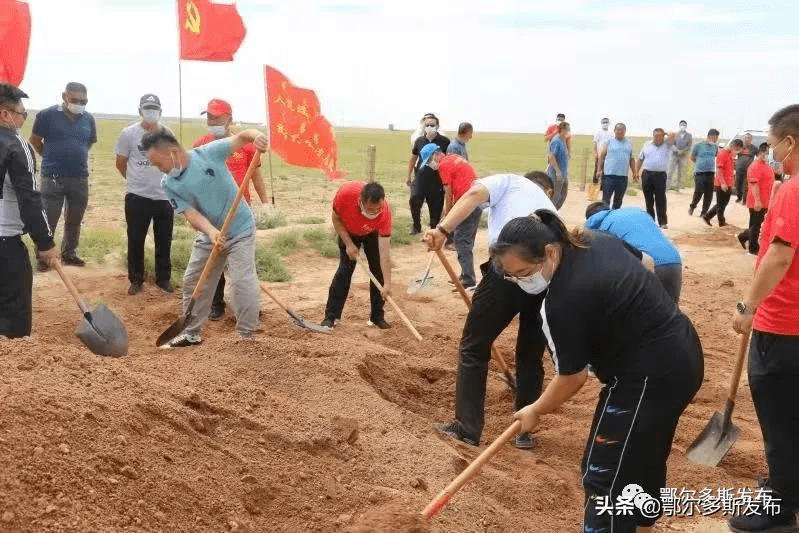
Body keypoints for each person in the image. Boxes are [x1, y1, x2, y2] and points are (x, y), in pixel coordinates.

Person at [502, 211, 703, 533]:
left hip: (645, 377)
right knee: (643, 455)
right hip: (684, 352)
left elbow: (573, 377)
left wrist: (535, 410)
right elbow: (647, 266)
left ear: (550, 252)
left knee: (605, 475)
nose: (522, 282)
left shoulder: (560, 303)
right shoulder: (595, 241)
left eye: (525, 272)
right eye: (513, 276)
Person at [424, 171, 557, 450]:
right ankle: (523, 429)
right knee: (530, 355)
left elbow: (472, 197)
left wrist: (442, 230)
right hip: (546, 277)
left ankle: (466, 429)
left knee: (474, 346)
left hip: (508, 273)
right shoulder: (548, 208)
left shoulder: (505, 181)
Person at [729, 104, 799, 533]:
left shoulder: (792, 190)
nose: (771, 154)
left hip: (784, 323)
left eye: (773, 146)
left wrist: (748, 307)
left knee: (779, 416)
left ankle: (781, 505)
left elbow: (779, 254)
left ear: (790, 142)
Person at [142, 129, 266, 347]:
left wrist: (258, 137)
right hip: (209, 234)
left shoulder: (209, 153)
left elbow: (243, 136)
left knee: (241, 280)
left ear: (171, 151)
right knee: (194, 280)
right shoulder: (168, 184)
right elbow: (191, 214)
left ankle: (247, 336)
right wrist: (211, 232)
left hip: (240, 228)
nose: (157, 168)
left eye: (157, 162)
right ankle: (190, 333)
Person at [193, 98, 267, 321]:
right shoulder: (200, 145)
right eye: (209, 117)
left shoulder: (245, 146)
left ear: (229, 119)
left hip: (240, 215)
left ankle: (247, 305)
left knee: (243, 266)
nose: (212, 121)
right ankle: (216, 305)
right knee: (213, 261)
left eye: (217, 117)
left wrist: (265, 203)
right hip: (212, 214)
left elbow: (255, 175)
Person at [0, 84, 60, 338]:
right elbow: (30, 200)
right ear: (6, 115)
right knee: (14, 313)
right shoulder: (16, 145)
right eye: (22, 114)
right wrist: (45, 243)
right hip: (5, 243)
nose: (24, 119)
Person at [29, 82, 96, 271]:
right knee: (48, 219)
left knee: (74, 218)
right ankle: (43, 258)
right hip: (52, 178)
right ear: (64, 97)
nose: (79, 104)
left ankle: (69, 254)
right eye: (75, 100)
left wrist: (73, 157)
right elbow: (34, 140)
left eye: (84, 101)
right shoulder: (46, 115)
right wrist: (51, 158)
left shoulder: (88, 119)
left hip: (80, 178)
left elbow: (88, 144)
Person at [115, 94, 175, 296]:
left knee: (164, 240)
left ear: (160, 111)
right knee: (135, 238)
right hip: (137, 196)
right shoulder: (128, 133)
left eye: (154, 108)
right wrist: (134, 181)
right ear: (140, 111)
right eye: (147, 108)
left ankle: (163, 279)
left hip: (163, 197)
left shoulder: (168, 133)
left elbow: (172, 164)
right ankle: (136, 279)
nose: (151, 112)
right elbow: (120, 163)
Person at [321, 181, 392, 330]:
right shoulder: (346, 195)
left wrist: (387, 284)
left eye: (377, 209)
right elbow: (336, 218)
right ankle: (331, 316)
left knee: (377, 270)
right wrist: (348, 243)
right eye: (369, 209)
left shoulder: (384, 213)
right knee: (345, 270)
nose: (373, 213)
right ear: (360, 200)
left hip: (372, 233)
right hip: (348, 230)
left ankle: (377, 317)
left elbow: (385, 252)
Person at [585, 202, 683, 303]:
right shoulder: (636, 212)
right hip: (673, 260)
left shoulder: (595, 225)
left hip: (644, 266)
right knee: (671, 313)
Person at [428, 147, 481, 289]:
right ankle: (465, 275)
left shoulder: (443, 165)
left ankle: (468, 279)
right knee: (464, 240)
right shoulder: (453, 157)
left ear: (436, 155)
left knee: (461, 240)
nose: (430, 164)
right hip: (476, 197)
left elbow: (448, 191)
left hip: (468, 200)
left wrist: (449, 211)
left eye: (429, 160)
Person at [407, 114, 449, 235]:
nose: (430, 127)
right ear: (423, 126)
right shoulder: (419, 141)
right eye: (427, 125)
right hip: (420, 177)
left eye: (432, 125)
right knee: (414, 198)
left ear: (437, 126)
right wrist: (408, 175)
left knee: (435, 204)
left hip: (437, 179)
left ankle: (433, 229)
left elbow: (449, 160)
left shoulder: (444, 141)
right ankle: (416, 226)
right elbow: (413, 158)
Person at [738, 144, 776, 255]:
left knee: (757, 225)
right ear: (760, 152)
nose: (767, 155)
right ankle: (753, 249)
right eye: (766, 153)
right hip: (757, 202)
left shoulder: (766, 165)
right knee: (755, 226)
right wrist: (757, 201)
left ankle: (744, 236)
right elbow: (754, 185)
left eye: (768, 153)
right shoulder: (754, 166)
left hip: (766, 201)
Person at [703, 138, 743, 227]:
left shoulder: (730, 154)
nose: (736, 152)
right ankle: (721, 222)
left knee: (722, 203)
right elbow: (719, 170)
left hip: (728, 182)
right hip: (721, 183)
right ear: (734, 145)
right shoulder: (722, 153)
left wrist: (731, 183)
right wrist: (722, 183)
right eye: (736, 149)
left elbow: (730, 169)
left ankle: (707, 216)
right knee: (721, 204)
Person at [637, 128, 672, 228]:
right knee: (648, 199)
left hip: (660, 175)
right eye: (656, 136)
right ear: (653, 136)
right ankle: (650, 220)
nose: (658, 138)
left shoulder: (667, 144)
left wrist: (667, 133)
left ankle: (662, 222)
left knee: (660, 198)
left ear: (663, 136)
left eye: (661, 136)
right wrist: (636, 171)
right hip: (647, 174)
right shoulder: (646, 144)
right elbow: (640, 159)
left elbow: (675, 137)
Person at [596, 123, 636, 209]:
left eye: (622, 130)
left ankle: (614, 219)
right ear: (614, 131)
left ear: (625, 131)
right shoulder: (609, 141)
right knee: (605, 200)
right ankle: (604, 218)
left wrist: (634, 172)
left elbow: (632, 159)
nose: (620, 131)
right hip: (608, 176)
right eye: (618, 130)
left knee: (618, 200)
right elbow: (602, 156)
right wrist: (598, 170)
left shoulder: (629, 143)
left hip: (623, 176)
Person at [688, 129, 720, 217]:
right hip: (699, 172)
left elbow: (716, 155)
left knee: (709, 193)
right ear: (710, 136)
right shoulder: (698, 145)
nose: (716, 139)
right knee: (698, 190)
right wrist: (699, 164)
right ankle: (692, 206)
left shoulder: (715, 146)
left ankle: (704, 212)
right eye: (715, 137)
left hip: (711, 172)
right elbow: (692, 157)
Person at [546, 121, 570, 209]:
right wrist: (558, 172)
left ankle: (553, 212)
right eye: (566, 129)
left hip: (562, 172)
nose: (567, 131)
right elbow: (551, 157)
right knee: (554, 195)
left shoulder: (563, 140)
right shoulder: (556, 140)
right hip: (556, 173)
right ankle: (549, 212)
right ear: (561, 129)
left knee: (559, 195)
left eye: (568, 129)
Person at [667, 120, 692, 191]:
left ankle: (677, 187)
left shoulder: (689, 136)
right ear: (679, 126)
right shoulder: (675, 134)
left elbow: (689, 146)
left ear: (686, 126)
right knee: (670, 172)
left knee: (680, 173)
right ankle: (667, 187)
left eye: (684, 125)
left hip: (682, 156)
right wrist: (677, 151)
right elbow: (671, 144)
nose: (682, 126)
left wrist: (683, 151)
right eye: (681, 125)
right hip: (674, 155)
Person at [590, 118, 612, 200]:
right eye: (604, 122)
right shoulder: (598, 132)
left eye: (606, 122)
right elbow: (595, 144)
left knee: (605, 173)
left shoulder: (610, 134)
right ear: (601, 123)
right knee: (596, 172)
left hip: (607, 156)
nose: (605, 124)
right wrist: (595, 154)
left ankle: (603, 191)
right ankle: (593, 193)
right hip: (599, 155)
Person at [735, 133, 757, 204]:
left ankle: (744, 200)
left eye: (748, 138)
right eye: (745, 138)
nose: (747, 139)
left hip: (748, 169)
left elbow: (759, 156)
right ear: (743, 139)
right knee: (738, 183)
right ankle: (739, 197)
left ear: (751, 140)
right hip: (739, 169)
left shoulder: (754, 148)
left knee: (746, 184)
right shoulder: (740, 147)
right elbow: (733, 153)